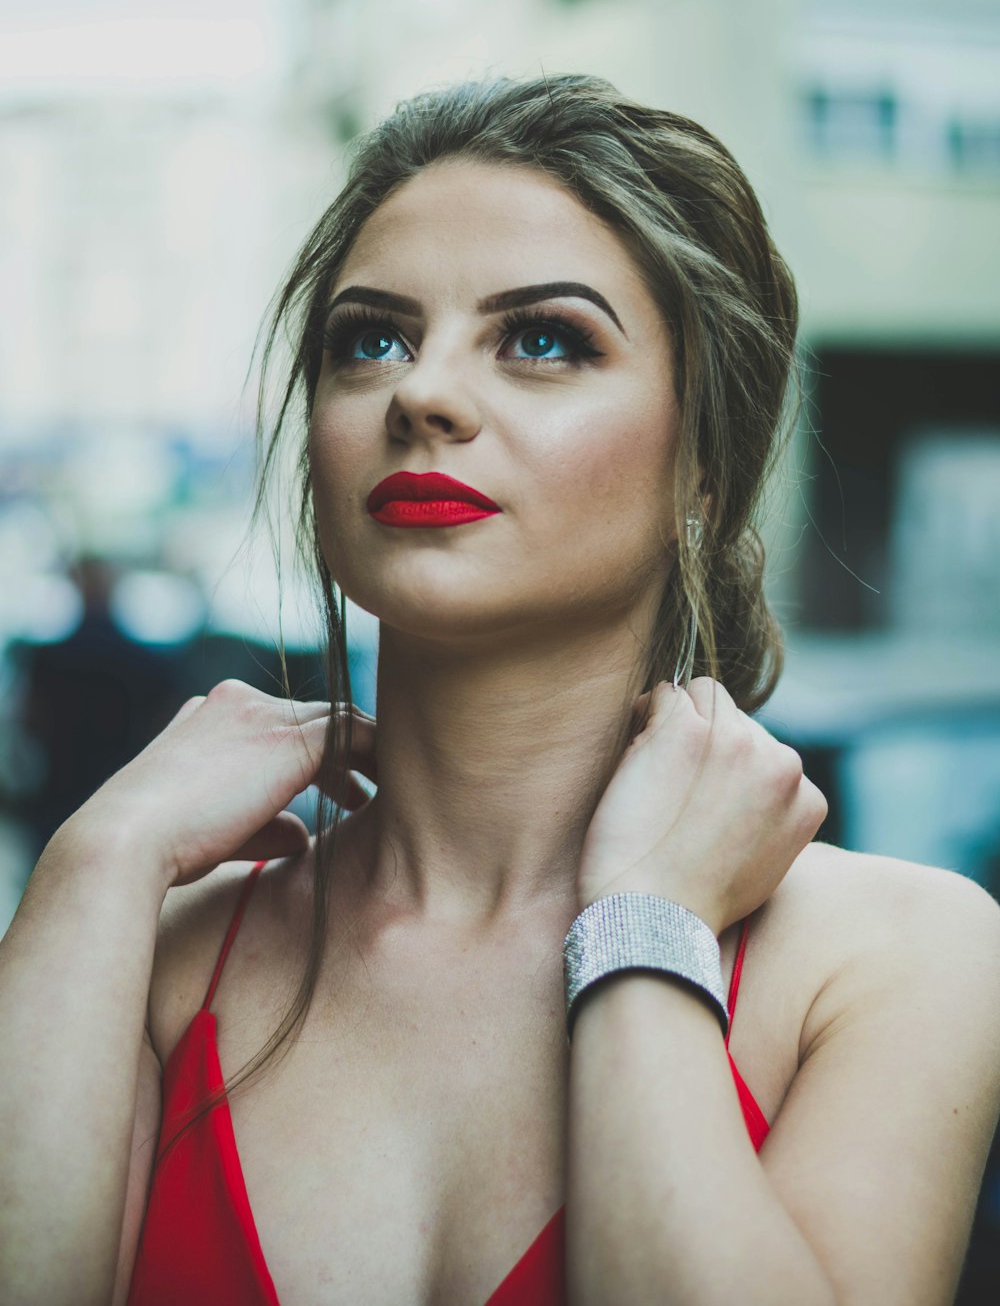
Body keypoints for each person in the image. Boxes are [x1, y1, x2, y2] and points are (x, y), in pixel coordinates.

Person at [2, 74, 998, 1306]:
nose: (420, 391)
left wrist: (646, 928)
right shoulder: (159, 950)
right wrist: (97, 860)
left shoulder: (894, 955)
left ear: (702, 462)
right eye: (370, 338)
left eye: (543, 339)